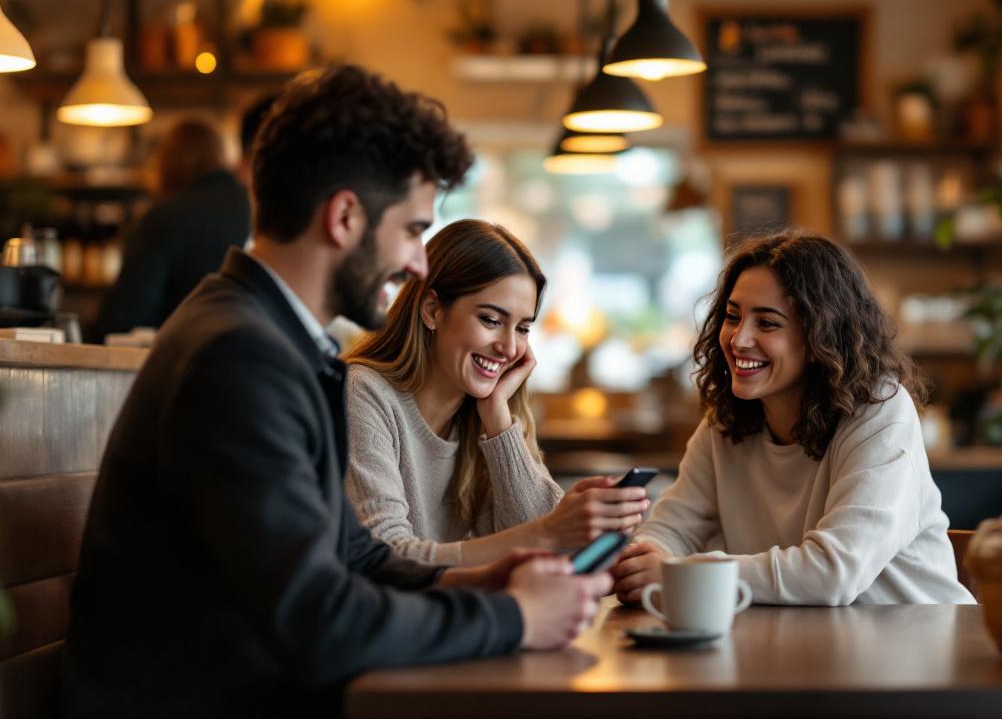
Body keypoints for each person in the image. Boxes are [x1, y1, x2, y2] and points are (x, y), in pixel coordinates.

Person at [63, 65, 611, 718]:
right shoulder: (238, 357)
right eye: (412, 230)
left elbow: (356, 555)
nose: (416, 263)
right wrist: (514, 619)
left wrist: (470, 582)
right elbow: (319, 622)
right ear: (345, 216)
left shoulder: (268, 336)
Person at [611, 231, 974, 606]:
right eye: (733, 317)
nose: (738, 339)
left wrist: (681, 574)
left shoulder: (879, 413)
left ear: (821, 338)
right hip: (805, 646)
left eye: (767, 324)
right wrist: (644, 556)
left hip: (918, 646)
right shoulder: (727, 422)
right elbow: (673, 527)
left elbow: (833, 572)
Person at [344, 219, 650, 566]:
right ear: (432, 310)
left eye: (522, 328)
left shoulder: (485, 416)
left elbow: (552, 556)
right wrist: (548, 531)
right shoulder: (362, 393)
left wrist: (498, 418)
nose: (508, 347)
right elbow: (385, 558)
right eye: (491, 320)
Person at [88, 118, 251, 341]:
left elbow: (124, 315)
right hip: (248, 353)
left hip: (178, 360)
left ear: (167, 164)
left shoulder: (164, 217)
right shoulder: (254, 206)